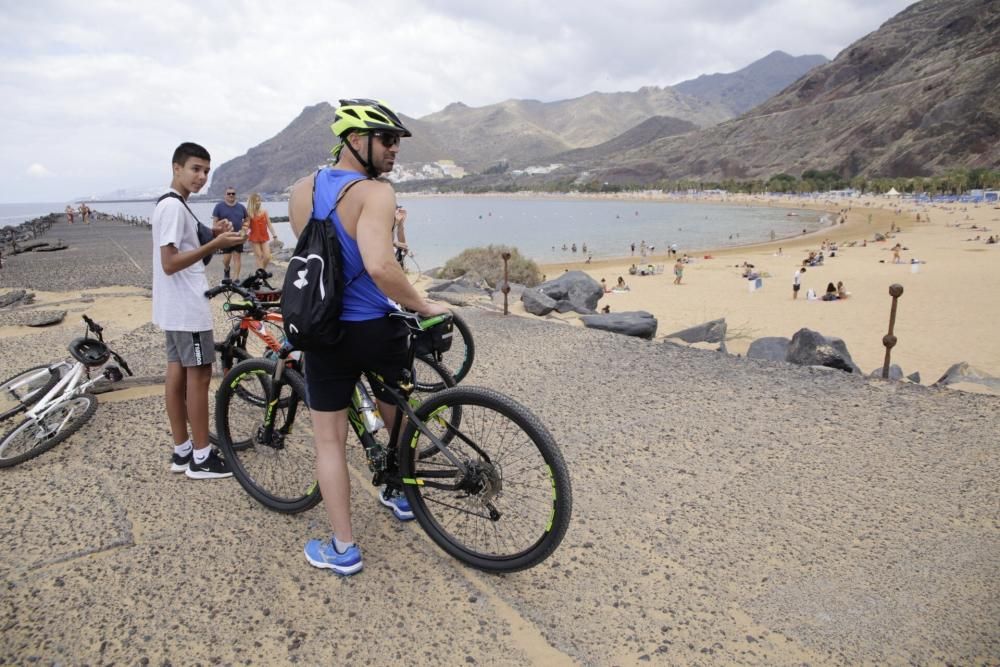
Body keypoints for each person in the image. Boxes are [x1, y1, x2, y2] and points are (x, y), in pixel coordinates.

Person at [288, 99, 449, 577]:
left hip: (326, 334)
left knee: (329, 442)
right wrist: (424, 304)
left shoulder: (301, 191)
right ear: (355, 141)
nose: (395, 149)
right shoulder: (376, 193)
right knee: (396, 417)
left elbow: (318, 261)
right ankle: (400, 494)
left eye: (396, 140)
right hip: (377, 330)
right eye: (387, 139)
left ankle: (343, 548)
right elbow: (380, 265)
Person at [152, 142, 244, 480]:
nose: (201, 176)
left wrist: (211, 234)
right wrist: (214, 244)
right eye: (194, 169)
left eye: (206, 170)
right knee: (200, 378)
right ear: (176, 168)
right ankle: (202, 458)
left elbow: (186, 248)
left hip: (173, 309)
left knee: (176, 379)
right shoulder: (174, 207)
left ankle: (183, 450)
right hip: (187, 309)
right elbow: (170, 262)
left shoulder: (172, 204)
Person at [212, 187, 249, 281]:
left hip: (238, 236)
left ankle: (236, 279)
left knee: (237, 257)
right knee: (226, 259)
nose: (231, 195)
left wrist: (245, 228)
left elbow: (247, 219)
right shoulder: (219, 207)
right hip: (226, 237)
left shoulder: (241, 207)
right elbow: (215, 223)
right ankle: (226, 269)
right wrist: (217, 234)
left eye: (233, 193)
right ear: (225, 195)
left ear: (235, 195)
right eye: (229, 193)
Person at [245, 192, 277, 272]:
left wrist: (274, 235)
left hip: (264, 237)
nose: (258, 202)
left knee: (267, 257)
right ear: (252, 202)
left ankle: (260, 273)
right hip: (254, 237)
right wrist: (242, 234)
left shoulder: (264, 211)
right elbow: (247, 226)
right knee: (259, 256)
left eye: (259, 200)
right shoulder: (249, 213)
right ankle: (261, 276)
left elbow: (269, 224)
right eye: (256, 201)